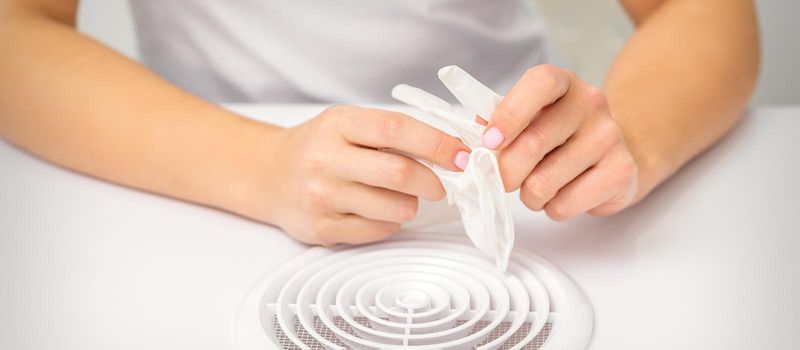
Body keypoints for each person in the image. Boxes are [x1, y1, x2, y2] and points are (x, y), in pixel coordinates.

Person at [0, 1, 759, 245]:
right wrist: (258, 169)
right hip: (196, 173)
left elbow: (703, 11)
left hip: (530, 199)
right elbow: (17, 34)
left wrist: (627, 135)